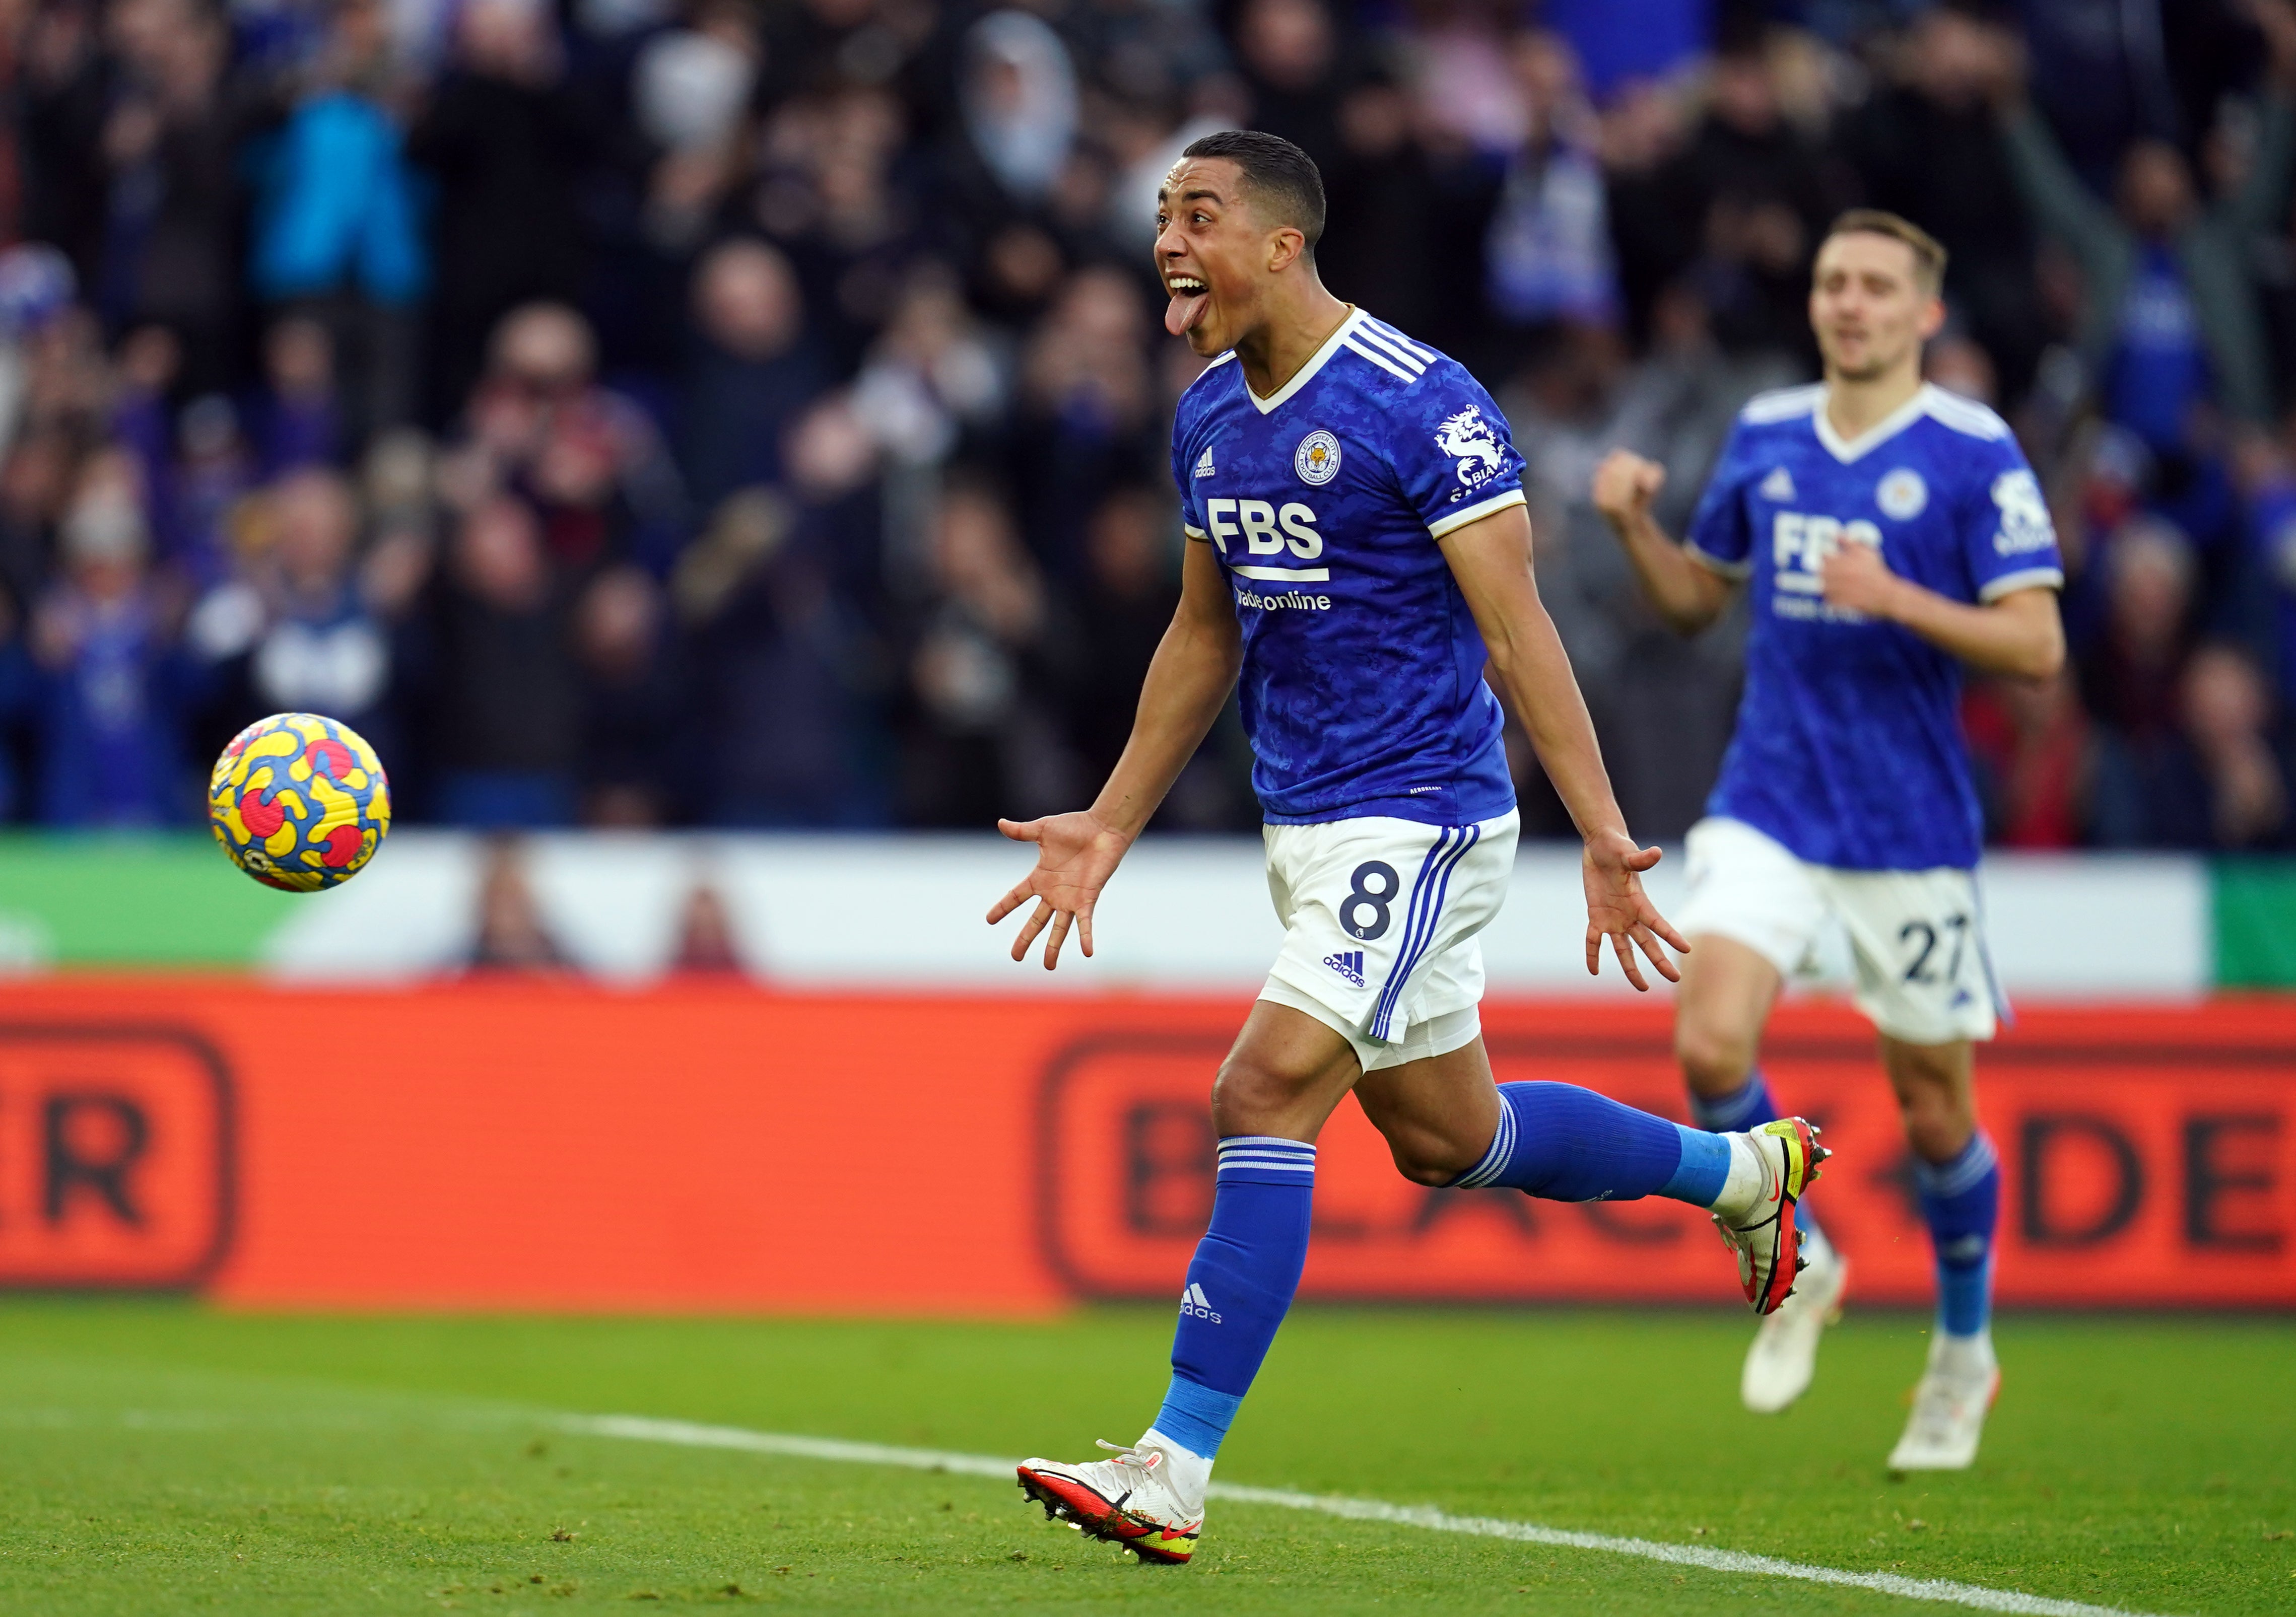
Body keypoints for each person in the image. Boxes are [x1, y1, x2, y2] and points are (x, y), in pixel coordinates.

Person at [988, 129, 1830, 1567]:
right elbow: (1205, 631)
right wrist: (1110, 816)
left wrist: (1604, 831)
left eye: (1198, 216)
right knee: (1451, 1136)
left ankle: (1170, 1466)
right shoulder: (1205, 416)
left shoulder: (1415, 402)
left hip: (1423, 810)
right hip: (1303, 820)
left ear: (1280, 244)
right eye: (1158, 219)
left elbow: (1518, 628)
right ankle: (1743, 1176)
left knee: (1257, 1091)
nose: (1167, 245)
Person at [1590, 209, 2068, 1470]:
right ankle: (1800, 1257)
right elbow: (1701, 605)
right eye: (1829, 283)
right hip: (1771, 800)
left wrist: (1899, 597)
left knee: (1931, 1115)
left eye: (1872, 287)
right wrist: (1637, 527)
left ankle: (1961, 1354)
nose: (1846, 303)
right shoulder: (1764, 433)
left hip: (1908, 830)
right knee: (1707, 1040)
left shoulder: (1971, 451)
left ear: (1922, 313)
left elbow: (2036, 644)